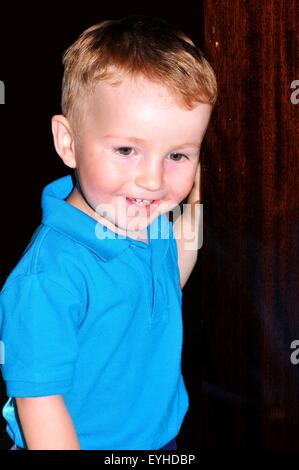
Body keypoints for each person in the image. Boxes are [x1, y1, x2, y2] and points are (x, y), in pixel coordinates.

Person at [0, 14, 217, 450]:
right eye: (126, 150)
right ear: (68, 142)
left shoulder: (148, 221)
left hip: (161, 442)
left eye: (177, 155)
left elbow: (168, 274)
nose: (153, 180)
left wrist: (194, 205)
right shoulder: (48, 279)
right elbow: (40, 403)